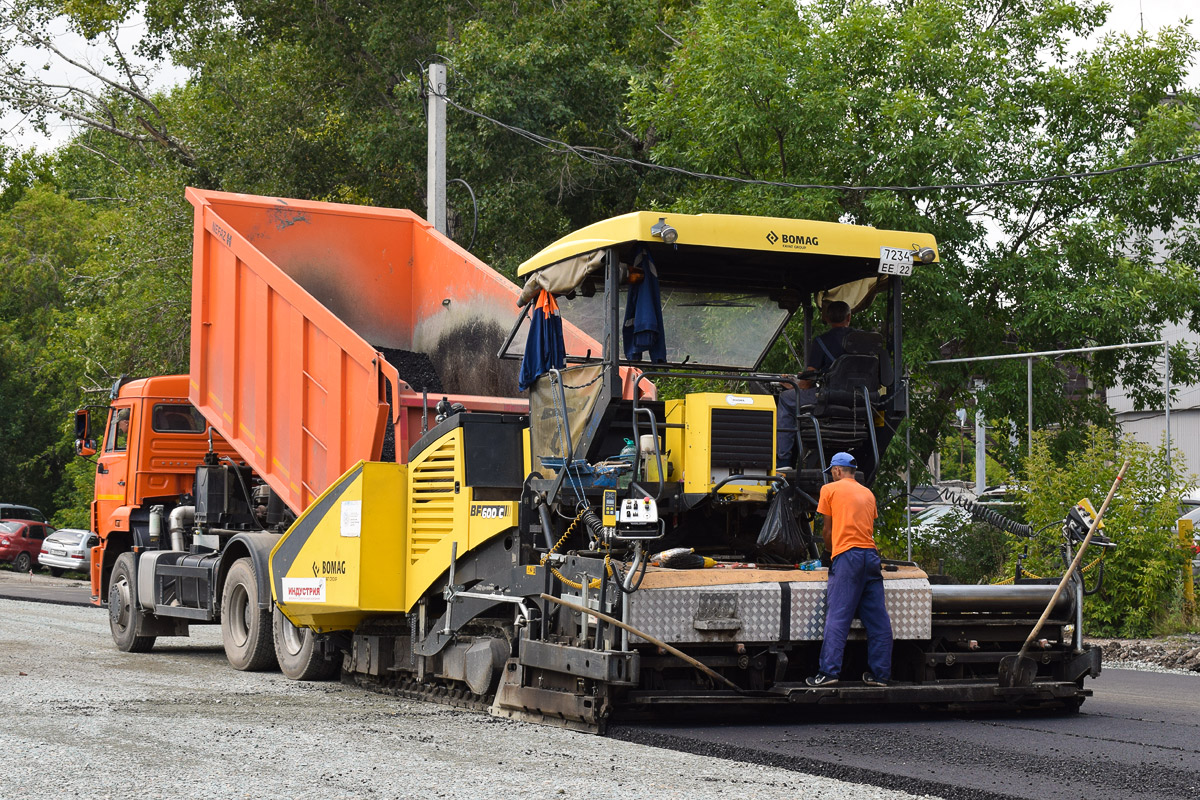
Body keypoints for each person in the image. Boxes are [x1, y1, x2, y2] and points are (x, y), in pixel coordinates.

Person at [805, 451, 892, 687]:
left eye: (831, 472)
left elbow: (827, 531)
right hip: (870, 557)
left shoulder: (830, 490)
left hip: (847, 556)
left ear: (836, 470)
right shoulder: (868, 493)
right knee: (878, 620)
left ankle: (829, 672)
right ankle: (880, 675)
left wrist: (827, 555)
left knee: (838, 617)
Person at [776, 301, 855, 466]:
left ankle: (783, 460)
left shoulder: (822, 341)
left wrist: (792, 384)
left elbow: (807, 384)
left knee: (785, 398)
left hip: (829, 398)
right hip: (860, 401)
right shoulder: (864, 341)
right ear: (849, 317)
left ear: (826, 318)